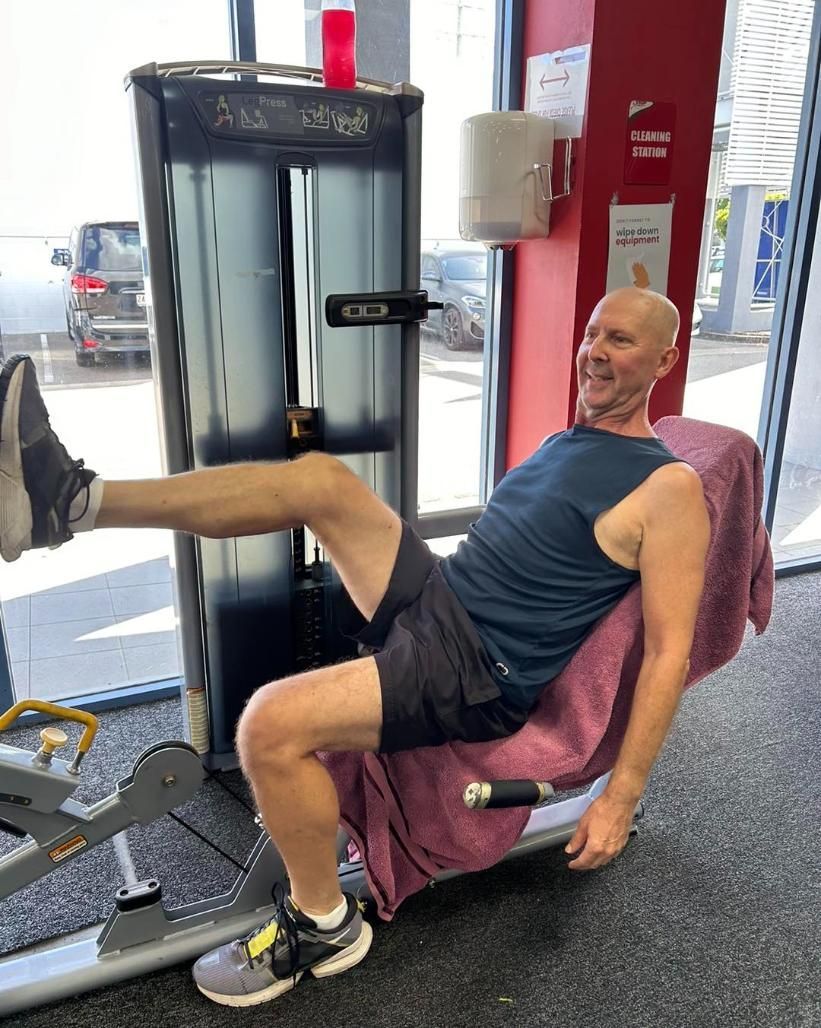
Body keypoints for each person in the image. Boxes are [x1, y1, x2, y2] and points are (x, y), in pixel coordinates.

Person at [0, 286, 710, 1008]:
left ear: (664, 358)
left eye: (619, 340)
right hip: (442, 597)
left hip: (473, 671)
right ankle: (70, 504)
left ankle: (323, 928)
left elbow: (667, 654)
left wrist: (620, 794)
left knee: (269, 726)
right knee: (323, 480)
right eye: (592, 333)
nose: (594, 350)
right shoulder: (570, 440)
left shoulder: (670, 486)